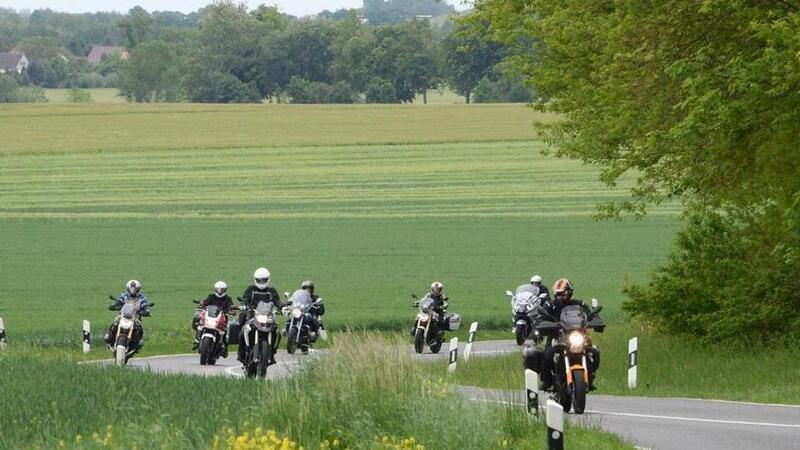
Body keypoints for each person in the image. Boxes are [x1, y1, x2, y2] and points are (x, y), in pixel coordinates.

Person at [534, 278, 601, 391]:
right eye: (558, 294)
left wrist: (596, 321)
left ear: (569, 292)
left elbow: (591, 315)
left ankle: (590, 377)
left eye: (563, 294)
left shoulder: (580, 304)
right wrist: (543, 323)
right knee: (548, 354)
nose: (560, 297)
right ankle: (546, 381)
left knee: (594, 352)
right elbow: (541, 318)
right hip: (557, 336)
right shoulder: (550, 305)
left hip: (578, 335)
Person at [237, 267, 284, 364]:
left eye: (264, 280)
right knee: (242, 331)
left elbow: (277, 301)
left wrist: (283, 307)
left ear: (268, 279)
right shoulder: (251, 290)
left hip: (268, 317)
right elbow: (245, 299)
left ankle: (271, 353)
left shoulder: (271, 291)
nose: (262, 282)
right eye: (259, 280)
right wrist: (243, 305)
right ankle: (241, 353)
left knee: (276, 332)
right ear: (255, 279)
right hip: (253, 316)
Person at [104, 280, 151, 351]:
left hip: (135, 318)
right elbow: (119, 301)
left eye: (135, 289)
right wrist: (114, 305)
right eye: (131, 289)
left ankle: (137, 343)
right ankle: (109, 337)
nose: (133, 290)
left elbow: (146, 307)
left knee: (139, 328)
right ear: (128, 288)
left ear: (138, 289)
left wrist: (146, 311)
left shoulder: (142, 298)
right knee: (115, 323)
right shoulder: (124, 295)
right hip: (123, 316)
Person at [191, 281, 234, 356]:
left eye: (222, 290)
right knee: (200, 323)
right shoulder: (211, 296)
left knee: (225, 330)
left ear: (225, 290)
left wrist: (232, 310)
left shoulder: (227, 298)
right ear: (215, 289)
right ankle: (197, 340)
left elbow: (231, 306)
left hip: (221, 317)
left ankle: (224, 346)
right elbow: (205, 303)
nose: (220, 291)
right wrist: (201, 304)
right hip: (210, 316)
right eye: (218, 289)